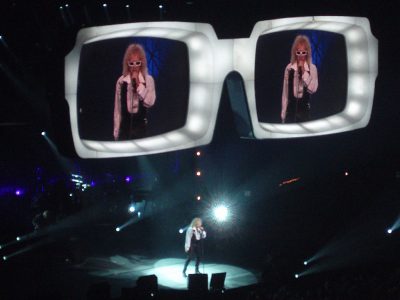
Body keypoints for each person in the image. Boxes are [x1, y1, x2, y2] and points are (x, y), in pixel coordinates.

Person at [113, 44, 156, 140]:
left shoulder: (148, 80)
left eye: (138, 63)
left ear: (142, 63)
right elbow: (118, 109)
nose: (135, 67)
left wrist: (138, 84)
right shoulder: (121, 81)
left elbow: (150, 102)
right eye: (131, 63)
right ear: (127, 63)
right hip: (124, 130)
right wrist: (116, 132)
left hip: (141, 130)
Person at [281, 35, 318, 123]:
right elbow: (285, 93)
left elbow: (313, 89)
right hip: (290, 112)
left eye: (303, 52)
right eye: (298, 53)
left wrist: (304, 72)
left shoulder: (312, 68)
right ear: (295, 52)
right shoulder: (289, 68)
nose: (301, 56)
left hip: (305, 112)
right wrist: (283, 114)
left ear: (307, 53)